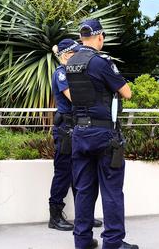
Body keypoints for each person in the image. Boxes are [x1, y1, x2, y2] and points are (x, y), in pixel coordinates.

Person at [65, 19, 137, 249]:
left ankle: (82, 241)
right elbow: (127, 93)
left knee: (84, 190)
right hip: (104, 134)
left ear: (80, 38)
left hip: (80, 132)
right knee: (112, 190)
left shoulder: (71, 61)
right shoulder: (101, 62)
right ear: (100, 37)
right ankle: (113, 243)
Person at [48, 39, 102, 231]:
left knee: (81, 175)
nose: (78, 56)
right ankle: (54, 217)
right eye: (74, 53)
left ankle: (84, 216)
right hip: (65, 129)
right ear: (65, 55)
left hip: (78, 128)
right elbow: (76, 98)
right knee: (63, 174)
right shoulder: (61, 74)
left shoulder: (74, 72)